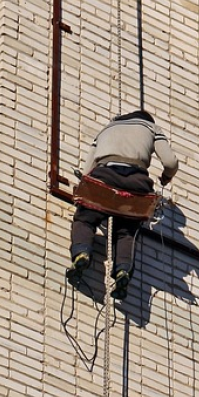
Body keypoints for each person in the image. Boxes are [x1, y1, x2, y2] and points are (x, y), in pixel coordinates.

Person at [66, 110, 179, 301]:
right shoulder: (152, 128)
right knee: (126, 231)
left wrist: (87, 187)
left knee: (85, 218)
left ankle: (82, 252)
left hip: (104, 175)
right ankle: (123, 271)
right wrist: (167, 176)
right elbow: (170, 162)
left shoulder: (106, 129)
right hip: (136, 183)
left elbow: (88, 168)